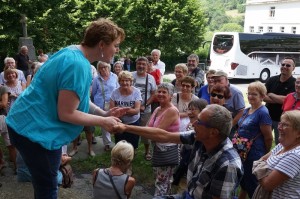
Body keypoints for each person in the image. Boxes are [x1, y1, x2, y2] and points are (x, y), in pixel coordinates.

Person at [6, 18, 126, 199]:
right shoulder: (78, 65)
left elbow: (79, 99)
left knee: (43, 179)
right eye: (115, 45)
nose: (117, 50)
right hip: (34, 132)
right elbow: (66, 113)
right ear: (102, 44)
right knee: (48, 187)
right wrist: (103, 121)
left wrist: (103, 113)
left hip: (22, 122)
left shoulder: (72, 51)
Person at [113, 104, 243, 199]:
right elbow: (164, 135)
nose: (194, 124)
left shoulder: (228, 165)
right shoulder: (199, 138)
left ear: (213, 132)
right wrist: (125, 127)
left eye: (199, 122)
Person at [235, 81, 273, 199]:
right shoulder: (247, 110)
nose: (250, 96)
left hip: (254, 153)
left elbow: (268, 137)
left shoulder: (263, 113)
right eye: (249, 93)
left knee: (252, 184)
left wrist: (266, 154)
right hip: (243, 151)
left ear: (262, 96)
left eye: (254, 94)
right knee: (244, 182)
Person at [259, 110, 300, 198]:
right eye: (280, 123)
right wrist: (262, 169)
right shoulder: (282, 145)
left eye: (285, 125)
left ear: (298, 133)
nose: (279, 128)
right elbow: (261, 160)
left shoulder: (295, 156)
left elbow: (267, 185)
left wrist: (258, 169)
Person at [148, 83, 180, 196]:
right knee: (159, 179)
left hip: (167, 151)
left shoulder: (172, 110)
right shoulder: (157, 109)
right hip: (157, 148)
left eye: (164, 92)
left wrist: (149, 133)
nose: (160, 94)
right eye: (159, 91)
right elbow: (148, 128)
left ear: (171, 96)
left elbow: (156, 132)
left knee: (162, 182)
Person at [172, 99, 208, 186]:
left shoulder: (201, 130)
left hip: (193, 164)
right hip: (185, 159)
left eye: (193, 110)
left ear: (202, 113)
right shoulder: (190, 125)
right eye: (189, 109)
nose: (189, 112)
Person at [264, 57, 296, 144]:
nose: (285, 66)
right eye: (283, 64)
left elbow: (289, 100)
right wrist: (282, 99)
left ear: (293, 68)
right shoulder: (271, 80)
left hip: (282, 120)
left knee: (280, 143)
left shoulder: (295, 83)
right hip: (266, 116)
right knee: (263, 140)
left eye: (288, 65)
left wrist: (271, 94)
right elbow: (262, 96)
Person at [132, 56, 157, 161]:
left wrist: (145, 105)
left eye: (143, 64)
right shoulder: (131, 75)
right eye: (139, 64)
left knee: (145, 132)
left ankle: (147, 151)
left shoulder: (150, 78)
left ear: (147, 66)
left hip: (145, 110)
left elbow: (154, 94)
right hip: (131, 109)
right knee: (132, 131)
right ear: (136, 65)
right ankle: (132, 149)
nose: (141, 66)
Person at [110, 71, 142, 150]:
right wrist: (128, 111)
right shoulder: (115, 92)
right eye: (122, 80)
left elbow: (136, 110)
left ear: (131, 81)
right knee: (120, 144)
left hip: (133, 122)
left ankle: (131, 156)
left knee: (133, 144)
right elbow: (112, 110)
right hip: (119, 122)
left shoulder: (136, 92)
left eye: (127, 80)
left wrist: (120, 111)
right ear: (119, 81)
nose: (124, 83)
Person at [92, 61, 119, 151]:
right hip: (101, 104)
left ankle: (118, 141)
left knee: (116, 122)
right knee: (105, 124)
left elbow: (118, 90)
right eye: (101, 67)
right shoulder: (96, 79)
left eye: (105, 67)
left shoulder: (114, 77)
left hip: (113, 103)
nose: (103, 69)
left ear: (109, 67)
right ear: (98, 69)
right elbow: (94, 92)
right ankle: (107, 143)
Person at [212, 70, 245, 137]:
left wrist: (231, 125)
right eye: (215, 81)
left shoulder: (236, 93)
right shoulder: (215, 89)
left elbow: (241, 111)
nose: (217, 83)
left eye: (219, 80)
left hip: (231, 126)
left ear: (226, 80)